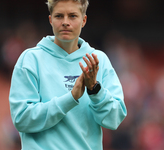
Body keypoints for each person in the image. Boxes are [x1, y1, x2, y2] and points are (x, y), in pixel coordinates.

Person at [9, 0, 127, 149]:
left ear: (83, 20)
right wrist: (70, 98)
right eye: (59, 16)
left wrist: (95, 90)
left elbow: (114, 120)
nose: (65, 22)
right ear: (51, 19)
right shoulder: (31, 60)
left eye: (72, 16)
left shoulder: (98, 61)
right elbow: (22, 119)